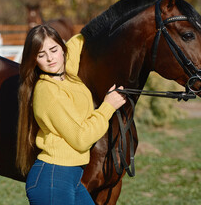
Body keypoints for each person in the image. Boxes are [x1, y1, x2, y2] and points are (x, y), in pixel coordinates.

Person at [16, 25, 126, 204]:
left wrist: (101, 26)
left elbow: (76, 43)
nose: (50, 58)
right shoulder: (47, 91)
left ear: (62, 49)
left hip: (71, 178)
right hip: (52, 179)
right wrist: (108, 107)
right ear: (34, 60)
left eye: (54, 49)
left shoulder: (67, 74)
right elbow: (81, 138)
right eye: (41, 55)